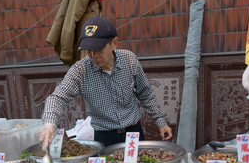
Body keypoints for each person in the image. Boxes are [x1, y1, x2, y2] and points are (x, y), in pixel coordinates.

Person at [39, 16, 173, 148]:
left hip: (133, 132)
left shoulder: (129, 60)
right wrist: (49, 124)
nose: (93, 56)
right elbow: (58, 97)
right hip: (104, 137)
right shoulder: (80, 70)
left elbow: (145, 93)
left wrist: (160, 122)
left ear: (114, 43)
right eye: (88, 50)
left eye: (98, 50)